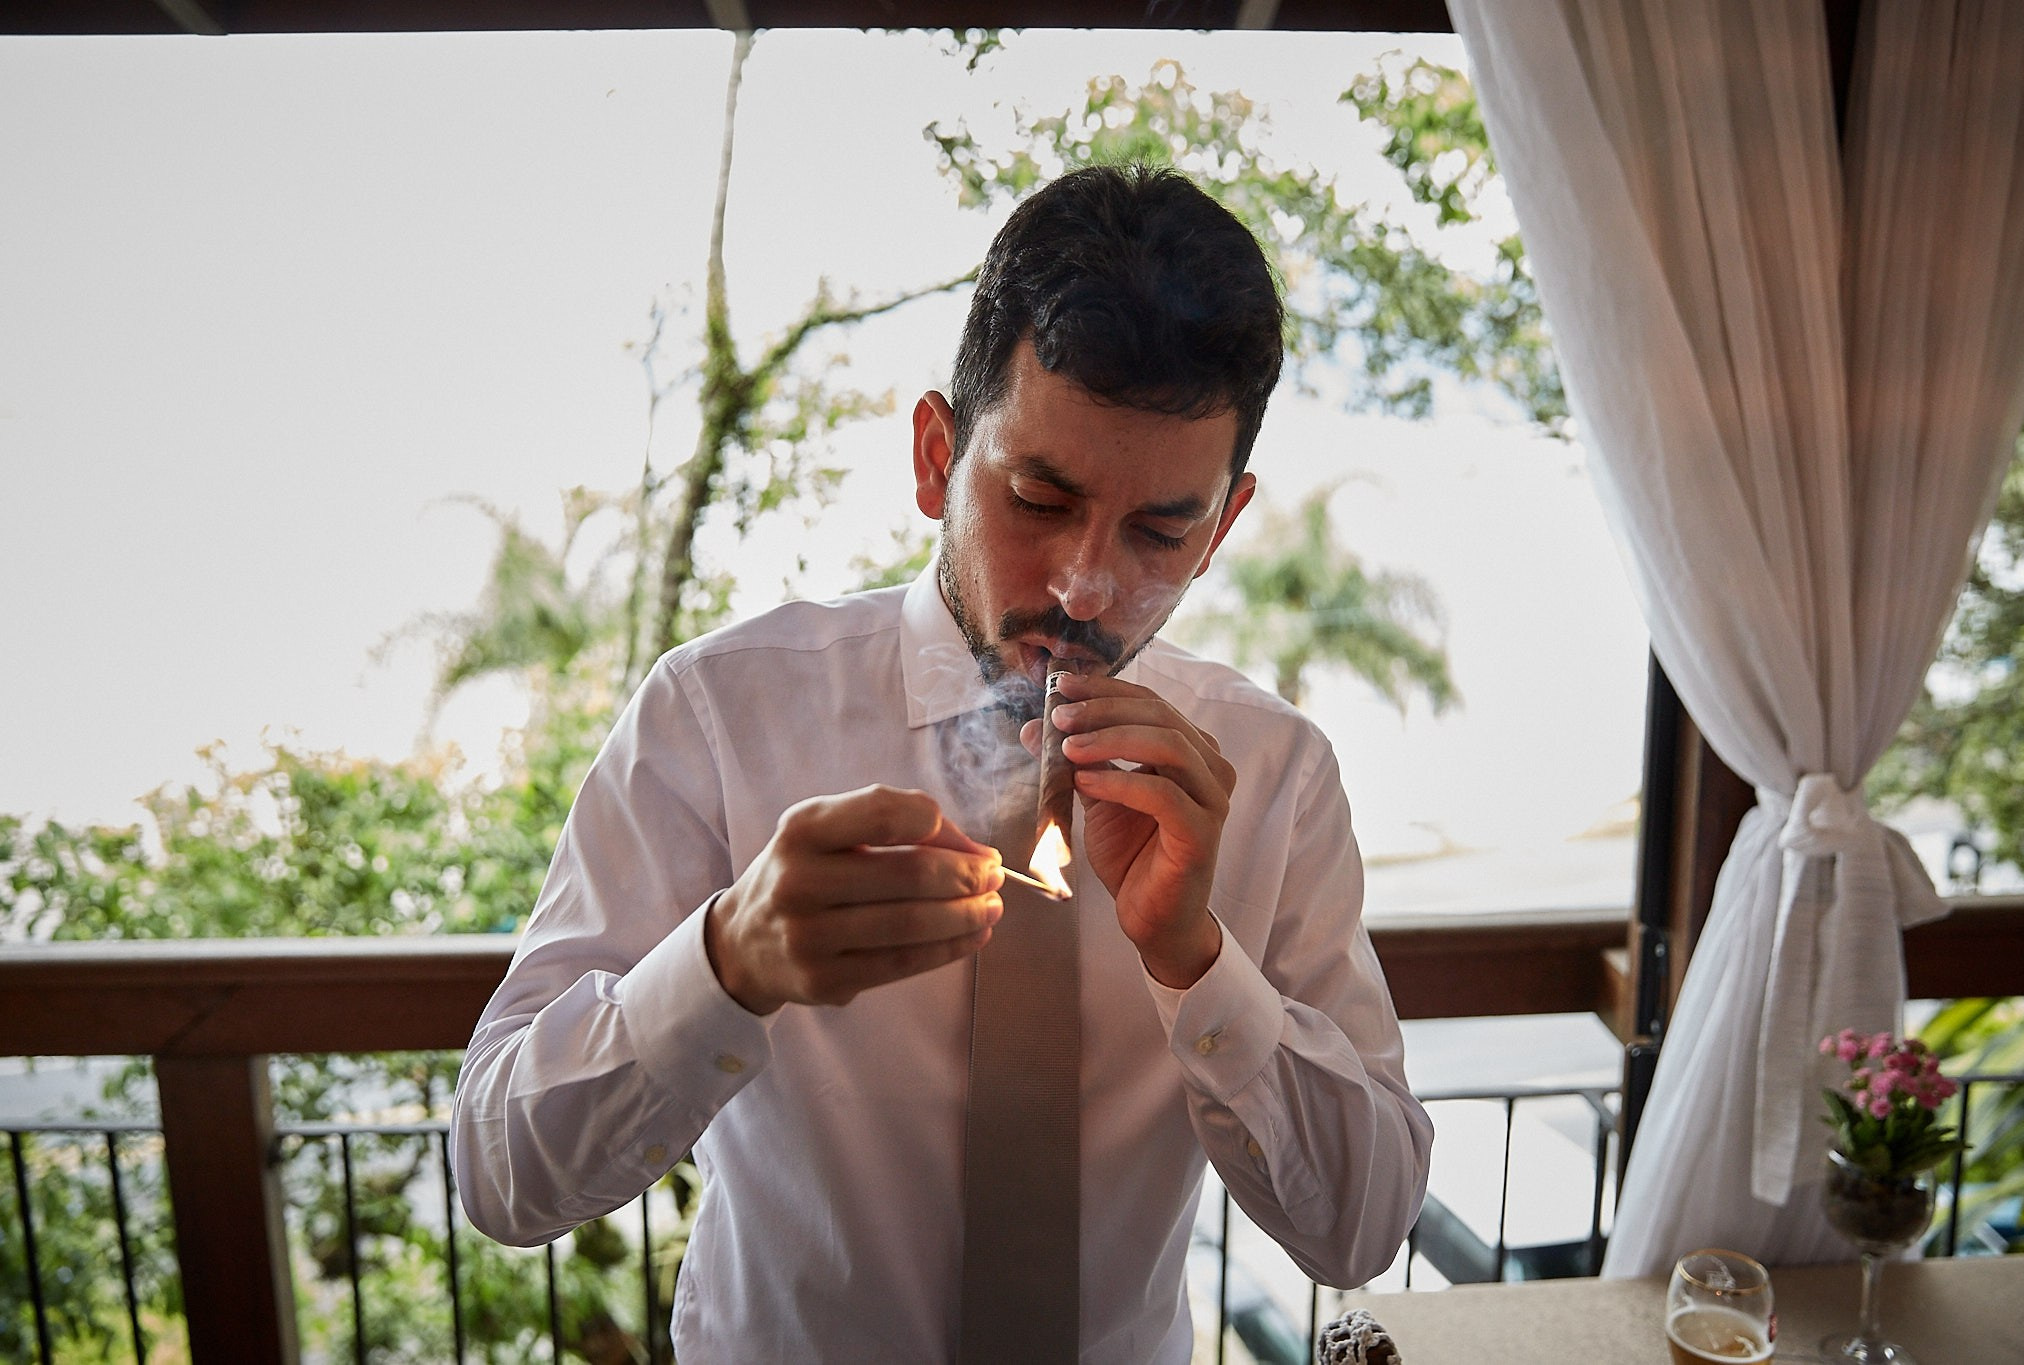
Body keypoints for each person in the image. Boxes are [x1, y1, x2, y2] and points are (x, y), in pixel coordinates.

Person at [452, 163, 1431, 1364]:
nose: (1085, 584)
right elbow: (503, 1178)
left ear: (1221, 528)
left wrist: (1197, 961)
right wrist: (724, 961)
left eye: (1160, 531)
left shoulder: (1275, 775)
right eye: (1036, 497)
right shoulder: (713, 717)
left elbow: (1365, 1229)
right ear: (934, 459)